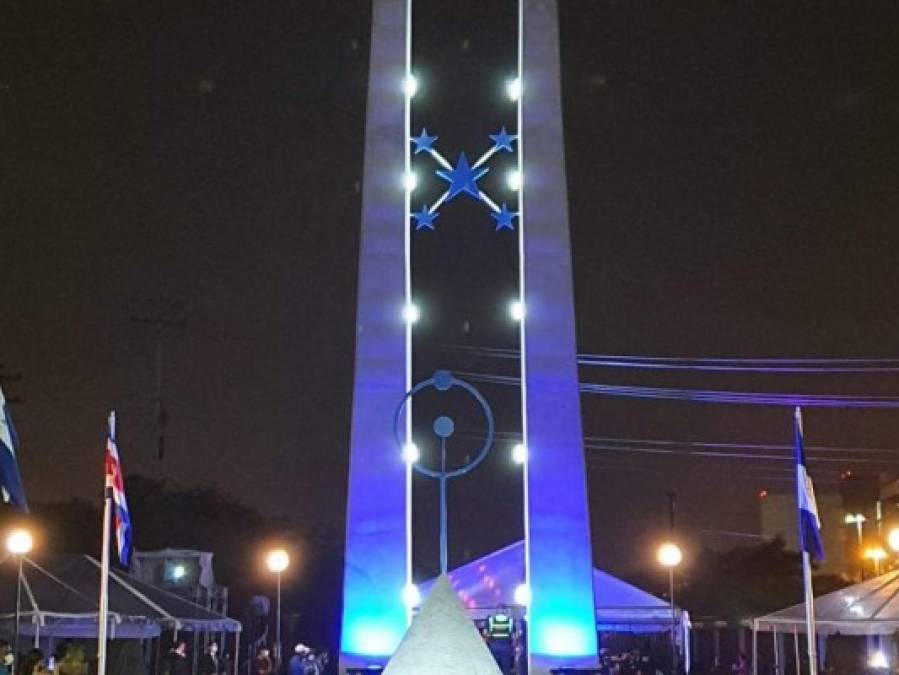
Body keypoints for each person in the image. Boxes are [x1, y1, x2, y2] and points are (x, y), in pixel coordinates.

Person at [486, 607, 515, 674]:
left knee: (494, 665)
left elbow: (486, 633)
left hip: (494, 645)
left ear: (496, 611)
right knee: (506, 667)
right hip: (506, 645)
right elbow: (513, 635)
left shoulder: (491, 620)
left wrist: (489, 642)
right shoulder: (510, 620)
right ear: (504, 611)